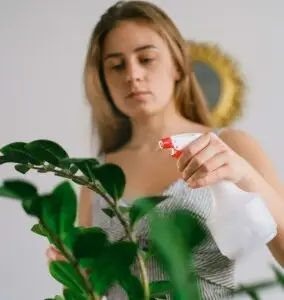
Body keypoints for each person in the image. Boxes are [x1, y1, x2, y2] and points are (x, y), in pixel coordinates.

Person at [46, 1, 284, 299]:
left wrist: (245, 174)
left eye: (146, 59)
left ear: (177, 65)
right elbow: (85, 291)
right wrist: (73, 271)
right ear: (104, 81)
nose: (132, 75)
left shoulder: (231, 146)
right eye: (116, 65)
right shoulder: (94, 179)